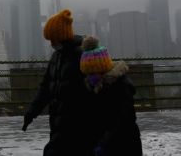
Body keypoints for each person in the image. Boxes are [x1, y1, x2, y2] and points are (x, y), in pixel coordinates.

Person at [22, 9, 95, 156]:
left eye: (52, 39)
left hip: (78, 126)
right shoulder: (57, 57)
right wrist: (31, 112)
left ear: (61, 37)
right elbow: (45, 88)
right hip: (58, 124)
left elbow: (96, 88)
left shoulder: (82, 56)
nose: (51, 43)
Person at [80, 36, 142, 156]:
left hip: (123, 144)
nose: (90, 77)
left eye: (92, 73)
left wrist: (103, 143)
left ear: (102, 69)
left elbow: (122, 120)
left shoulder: (120, 86)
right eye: (88, 73)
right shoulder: (94, 86)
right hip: (106, 143)